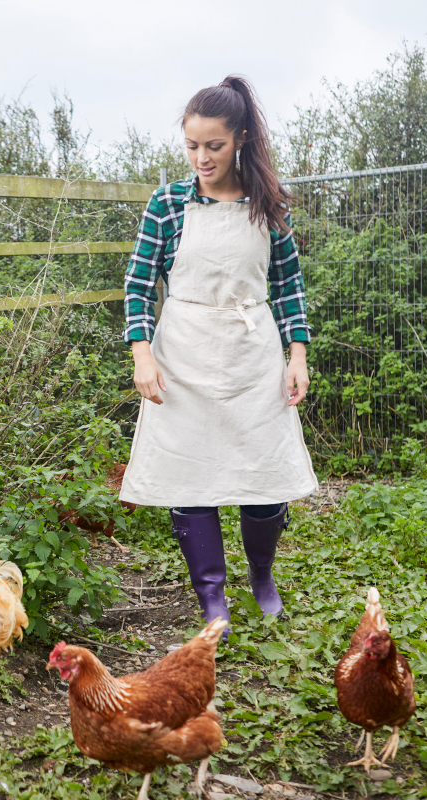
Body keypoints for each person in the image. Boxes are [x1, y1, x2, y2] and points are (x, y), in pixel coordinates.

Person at [118, 75, 318, 630]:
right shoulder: (167, 204)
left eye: (214, 145)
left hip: (252, 356)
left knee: (263, 475)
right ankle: (212, 597)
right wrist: (142, 353)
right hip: (183, 354)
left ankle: (262, 577)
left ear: (242, 140)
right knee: (192, 476)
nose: (201, 157)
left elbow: (289, 287)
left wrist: (296, 354)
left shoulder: (269, 207)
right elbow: (138, 285)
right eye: (192, 145)